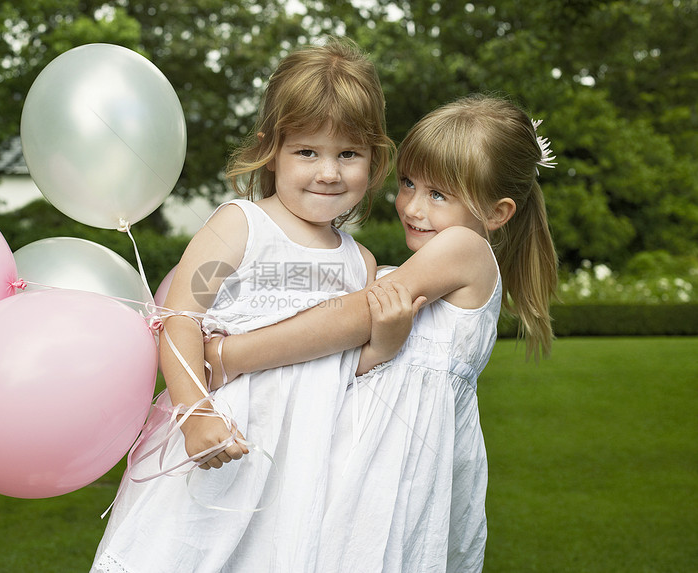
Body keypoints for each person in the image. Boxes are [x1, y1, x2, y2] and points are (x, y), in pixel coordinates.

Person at [204, 94, 560, 572]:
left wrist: (234, 355)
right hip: (366, 458)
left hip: (396, 470)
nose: (412, 206)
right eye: (409, 183)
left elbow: (353, 315)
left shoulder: (465, 248)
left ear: (497, 213)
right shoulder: (427, 265)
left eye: (439, 195)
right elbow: (359, 355)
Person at [91, 38, 397, 572]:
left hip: (306, 453)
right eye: (308, 152)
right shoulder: (241, 225)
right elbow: (180, 318)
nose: (329, 172)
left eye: (348, 154)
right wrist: (194, 412)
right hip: (224, 435)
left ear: (374, 158)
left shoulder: (360, 263)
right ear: (271, 148)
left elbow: (351, 364)